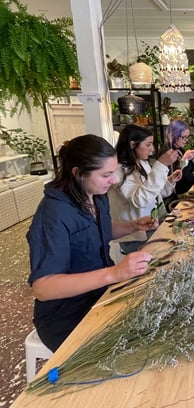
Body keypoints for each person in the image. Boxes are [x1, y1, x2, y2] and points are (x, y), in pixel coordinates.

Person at [27, 134, 156, 352]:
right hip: (66, 315)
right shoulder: (53, 214)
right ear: (77, 173)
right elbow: (43, 288)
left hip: (100, 295)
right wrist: (114, 274)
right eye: (105, 174)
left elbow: (98, 231)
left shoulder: (95, 195)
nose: (113, 180)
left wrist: (132, 226)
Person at [108, 124, 183, 253]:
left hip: (152, 225)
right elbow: (140, 200)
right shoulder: (118, 170)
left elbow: (155, 193)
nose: (152, 149)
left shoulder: (142, 163)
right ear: (132, 145)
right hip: (136, 235)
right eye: (148, 145)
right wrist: (161, 165)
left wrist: (169, 181)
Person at [161, 119, 194, 208]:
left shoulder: (179, 148)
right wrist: (184, 159)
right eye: (183, 137)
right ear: (173, 135)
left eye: (187, 137)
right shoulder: (166, 153)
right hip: (178, 197)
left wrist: (193, 159)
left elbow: (188, 170)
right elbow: (173, 177)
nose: (186, 140)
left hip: (188, 191)